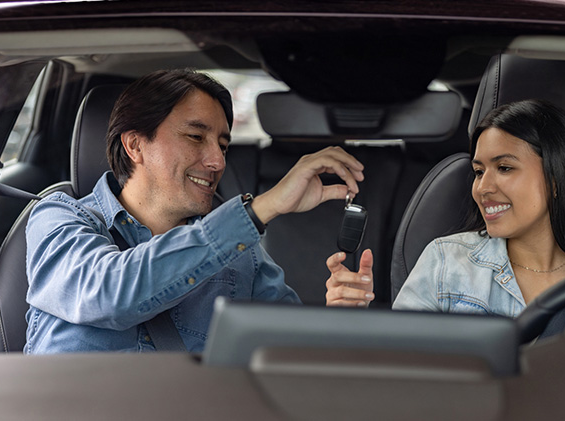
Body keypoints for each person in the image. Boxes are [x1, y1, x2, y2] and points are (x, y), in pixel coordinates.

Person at [25, 69, 365, 353]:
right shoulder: (60, 218)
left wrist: (338, 321)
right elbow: (108, 293)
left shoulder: (242, 257)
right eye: (194, 136)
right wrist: (261, 208)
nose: (217, 161)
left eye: (222, 145)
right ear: (135, 144)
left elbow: (288, 359)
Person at [325, 99, 565, 315]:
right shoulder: (446, 262)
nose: (483, 188)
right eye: (478, 172)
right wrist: (352, 317)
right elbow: (403, 376)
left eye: (504, 168)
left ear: (557, 178)